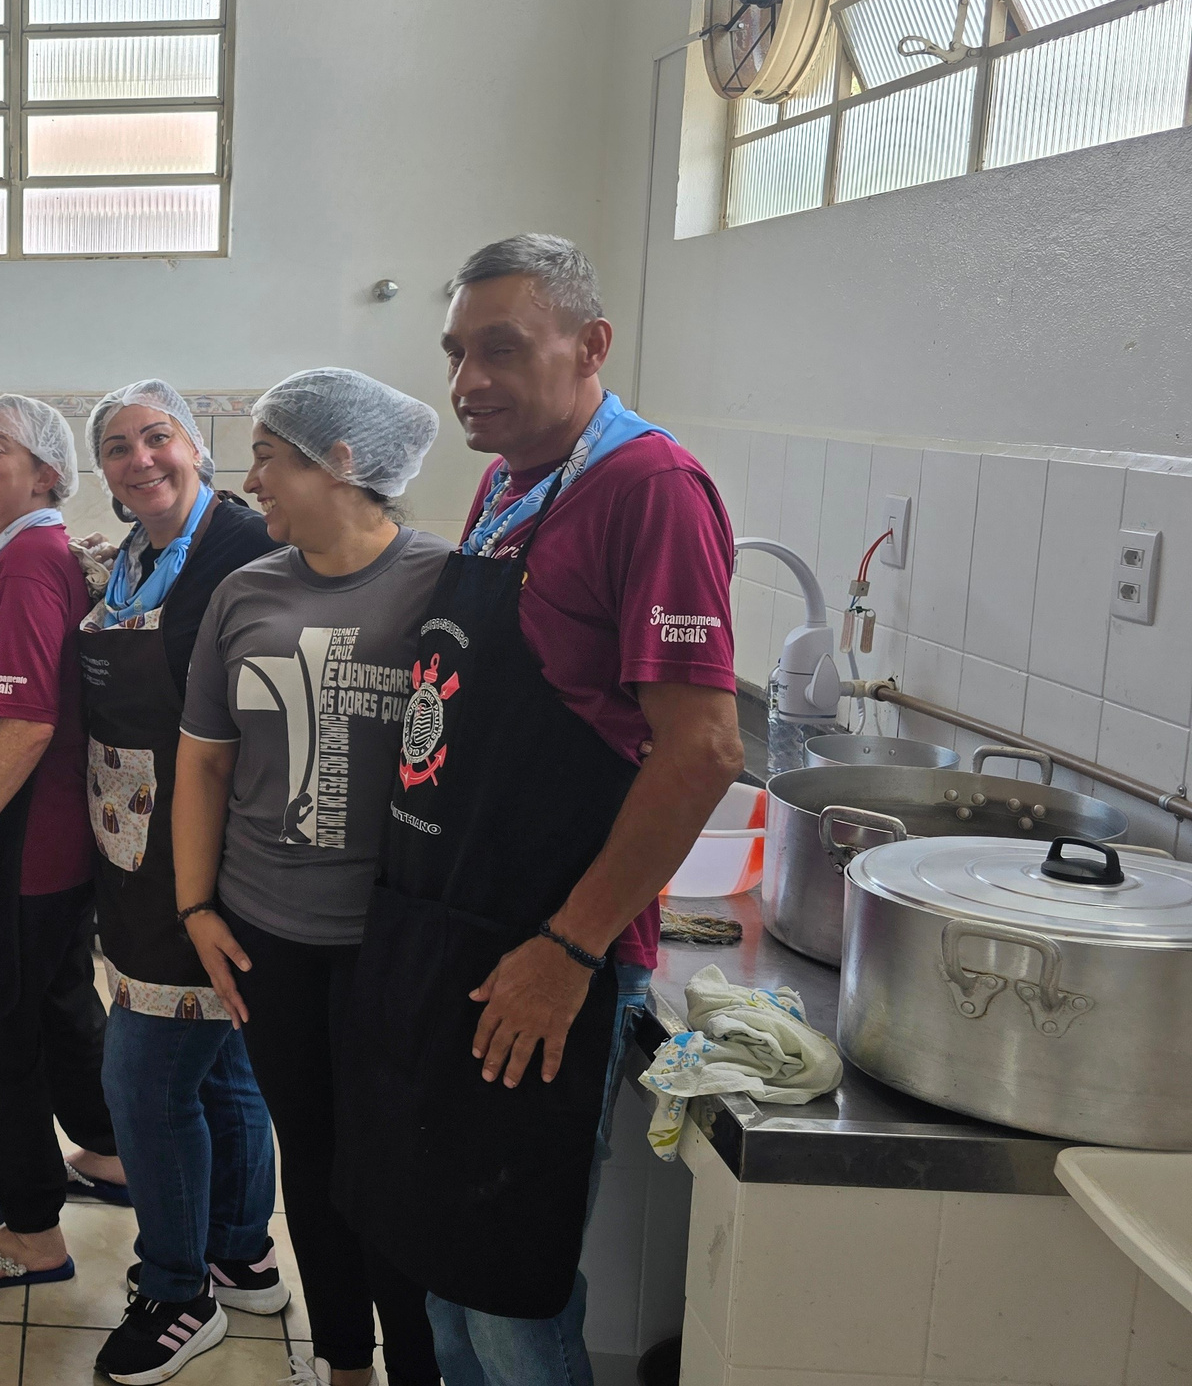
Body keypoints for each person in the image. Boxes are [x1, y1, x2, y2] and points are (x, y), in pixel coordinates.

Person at [335, 235, 742, 1386]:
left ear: (591, 345)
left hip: (542, 951)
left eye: (501, 349)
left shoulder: (648, 488)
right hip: (454, 933)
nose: (468, 380)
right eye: (457, 352)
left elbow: (702, 749)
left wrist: (570, 948)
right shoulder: (509, 482)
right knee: (445, 1272)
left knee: (511, 1294)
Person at [175, 369, 450, 1386]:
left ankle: (417, 1365)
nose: (251, 482)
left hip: (393, 945)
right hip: (266, 931)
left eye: (269, 458)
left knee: (394, 1170)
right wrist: (196, 906)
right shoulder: (245, 591)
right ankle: (341, 1361)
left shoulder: (443, 583)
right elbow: (201, 757)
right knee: (318, 1160)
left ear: (342, 462)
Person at [74, 380, 283, 1384]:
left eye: (155, 438)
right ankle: (239, 1250)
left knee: (143, 1077)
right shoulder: (135, 556)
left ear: (197, 445)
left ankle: (175, 1289)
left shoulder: (243, 548)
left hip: (205, 852)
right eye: (116, 447)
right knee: (222, 1063)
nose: (138, 459)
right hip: (134, 839)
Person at [0, 395, 116, 1291]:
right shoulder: (14, 555)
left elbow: (28, 719)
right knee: (55, 1004)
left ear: (46, 473)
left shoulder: (31, 563)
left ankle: (33, 1228)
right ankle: (115, 1153)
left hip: (17, 842)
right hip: (42, 843)